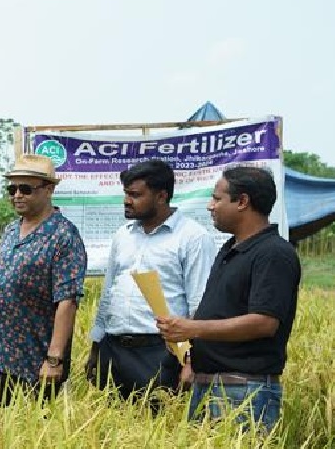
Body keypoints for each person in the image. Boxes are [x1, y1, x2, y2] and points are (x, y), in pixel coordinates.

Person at [157, 165, 300, 432]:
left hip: (243, 390)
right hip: (210, 383)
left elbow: (264, 322)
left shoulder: (273, 253)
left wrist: (194, 328)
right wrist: (189, 352)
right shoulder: (229, 249)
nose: (210, 206)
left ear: (242, 202)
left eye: (217, 198)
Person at [86, 159, 216, 405]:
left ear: (161, 196)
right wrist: (96, 347)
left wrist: (192, 362)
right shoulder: (123, 235)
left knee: (156, 431)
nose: (127, 200)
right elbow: (108, 293)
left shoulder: (192, 237)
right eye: (126, 194)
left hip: (160, 352)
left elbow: (200, 305)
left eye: (135, 195)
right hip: (114, 349)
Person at [0, 154, 87, 403]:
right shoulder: (10, 230)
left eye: (26, 189)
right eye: (12, 188)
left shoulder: (64, 236)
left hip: (32, 362)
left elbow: (67, 301)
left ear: (49, 189)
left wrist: (54, 359)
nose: (17, 195)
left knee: (25, 434)